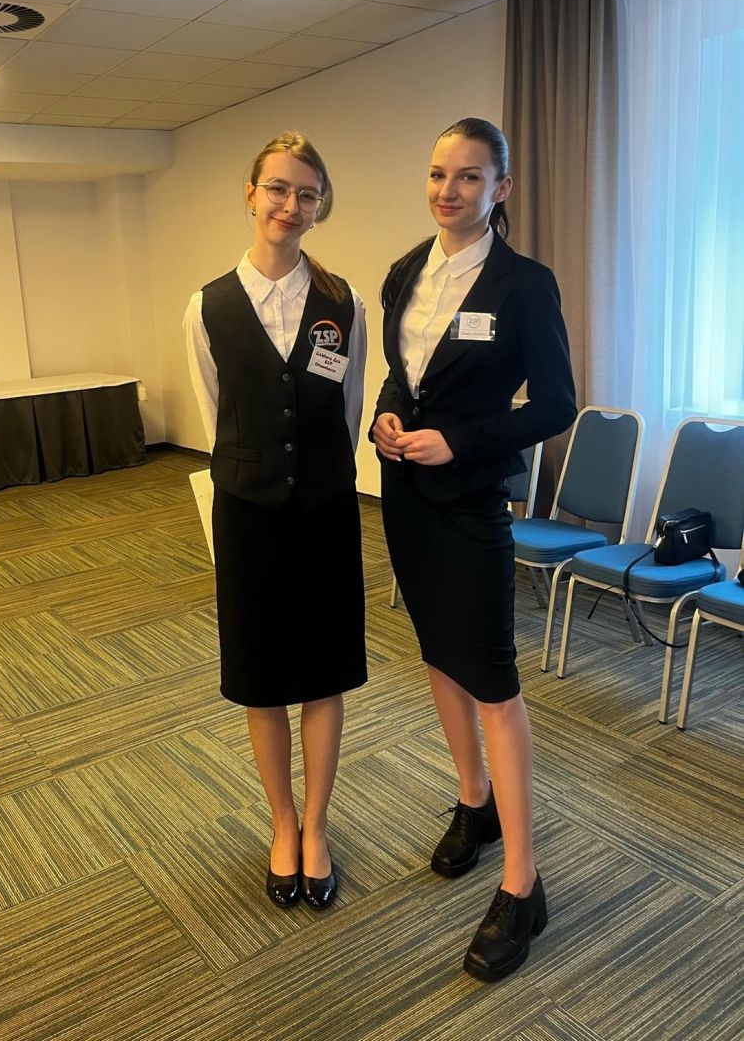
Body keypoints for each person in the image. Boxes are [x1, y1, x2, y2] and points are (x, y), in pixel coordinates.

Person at [371, 117, 575, 980]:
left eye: (467, 176)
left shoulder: (525, 284)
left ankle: (523, 884)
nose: (448, 191)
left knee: (491, 677)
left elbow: (555, 404)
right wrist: (387, 416)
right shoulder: (403, 273)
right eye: (437, 174)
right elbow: (403, 373)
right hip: (405, 497)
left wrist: (461, 440)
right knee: (438, 657)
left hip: (471, 502)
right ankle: (474, 802)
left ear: (501, 188)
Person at [184, 130, 367, 911]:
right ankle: (282, 823)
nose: (291, 204)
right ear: (251, 196)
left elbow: (349, 411)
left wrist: (317, 475)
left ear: (320, 206)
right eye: (279, 189)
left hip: (326, 512)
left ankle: (317, 827)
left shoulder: (343, 302)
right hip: (249, 515)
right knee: (261, 680)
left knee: (324, 676)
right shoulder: (207, 306)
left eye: (307, 193)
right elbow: (215, 417)